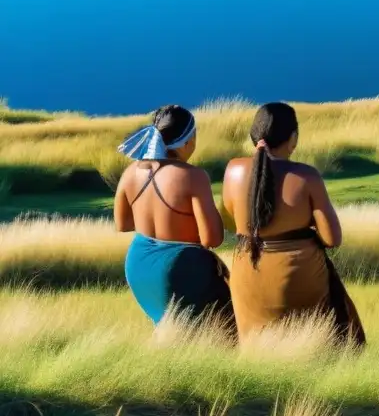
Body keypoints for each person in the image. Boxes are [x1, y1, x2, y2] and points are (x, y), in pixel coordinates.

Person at [222, 102, 365, 344]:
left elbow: (230, 222)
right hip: (296, 275)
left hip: (246, 273)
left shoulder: (232, 170)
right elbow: (333, 239)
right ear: (293, 138)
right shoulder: (306, 176)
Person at [114, 105, 234, 329]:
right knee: (222, 331)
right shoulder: (193, 176)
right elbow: (212, 239)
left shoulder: (131, 172)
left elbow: (123, 223)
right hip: (180, 267)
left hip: (138, 264)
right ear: (188, 140)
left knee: (170, 332)